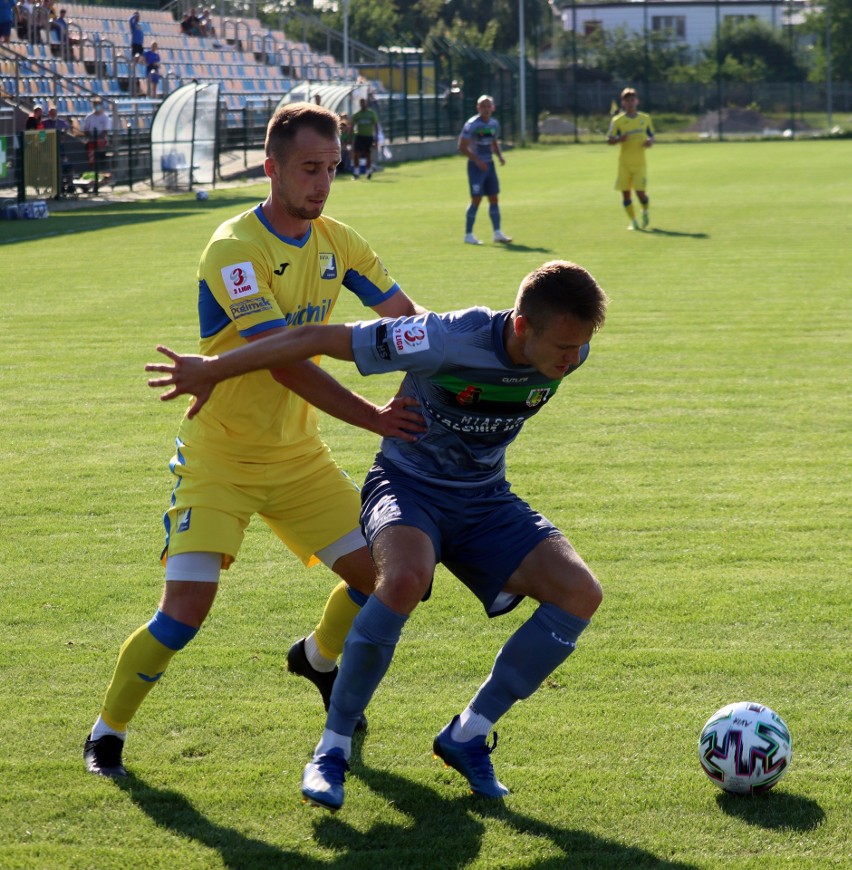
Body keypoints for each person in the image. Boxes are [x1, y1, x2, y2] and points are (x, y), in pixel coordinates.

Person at [145, 259, 608, 811]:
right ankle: (332, 747)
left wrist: (567, 355)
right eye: (562, 345)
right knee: (404, 579)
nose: (570, 358)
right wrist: (216, 369)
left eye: (580, 346)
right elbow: (317, 337)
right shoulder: (441, 338)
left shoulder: (569, 354)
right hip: (408, 486)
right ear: (521, 326)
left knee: (581, 593)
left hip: (485, 498)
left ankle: (467, 734)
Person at [82, 102, 426, 779]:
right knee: (184, 613)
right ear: (271, 168)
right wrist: (374, 417)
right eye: (308, 169)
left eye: (331, 168)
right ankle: (107, 733)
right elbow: (284, 359)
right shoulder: (235, 248)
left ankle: (318, 659)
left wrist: (462, 356)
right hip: (221, 458)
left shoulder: (340, 240)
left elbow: (406, 321)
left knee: (388, 580)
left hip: (299, 459)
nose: (322, 184)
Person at [458, 94, 512, 246]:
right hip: (476, 167)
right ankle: (468, 234)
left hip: (489, 166)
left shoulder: (494, 124)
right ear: (478, 108)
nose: (486, 109)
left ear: (493, 108)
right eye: (483, 106)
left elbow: (493, 142)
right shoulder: (472, 124)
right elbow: (462, 146)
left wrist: (499, 156)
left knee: (494, 197)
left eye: (489, 106)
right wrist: (477, 160)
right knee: (477, 198)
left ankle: (497, 233)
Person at [607, 87, 654, 231]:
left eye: (632, 99)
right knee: (626, 194)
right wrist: (619, 139)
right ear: (623, 103)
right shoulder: (618, 121)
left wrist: (650, 141)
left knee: (641, 194)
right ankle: (633, 221)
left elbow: (651, 135)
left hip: (639, 164)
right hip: (624, 164)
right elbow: (609, 140)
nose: (630, 102)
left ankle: (645, 212)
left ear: (637, 101)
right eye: (627, 100)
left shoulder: (645, 119)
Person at [350, 97, 379, 179]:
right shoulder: (357, 114)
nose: (363, 104)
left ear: (366, 103)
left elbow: (376, 125)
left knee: (368, 154)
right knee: (356, 154)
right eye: (361, 103)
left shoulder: (371, 113)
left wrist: (376, 138)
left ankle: (368, 171)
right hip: (359, 136)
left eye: (364, 103)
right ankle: (356, 172)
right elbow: (352, 126)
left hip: (368, 136)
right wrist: (350, 138)